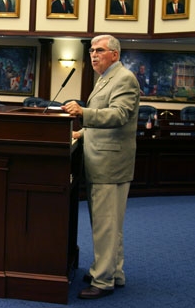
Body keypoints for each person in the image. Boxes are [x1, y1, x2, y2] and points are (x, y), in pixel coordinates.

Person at [62, 34, 140, 299]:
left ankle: (103, 280)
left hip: (110, 164)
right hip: (101, 160)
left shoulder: (124, 79)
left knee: (106, 225)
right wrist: (81, 133)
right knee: (110, 223)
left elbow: (119, 116)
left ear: (114, 54)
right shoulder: (105, 78)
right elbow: (104, 119)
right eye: (92, 50)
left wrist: (83, 113)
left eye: (99, 50)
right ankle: (113, 272)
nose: (93, 55)